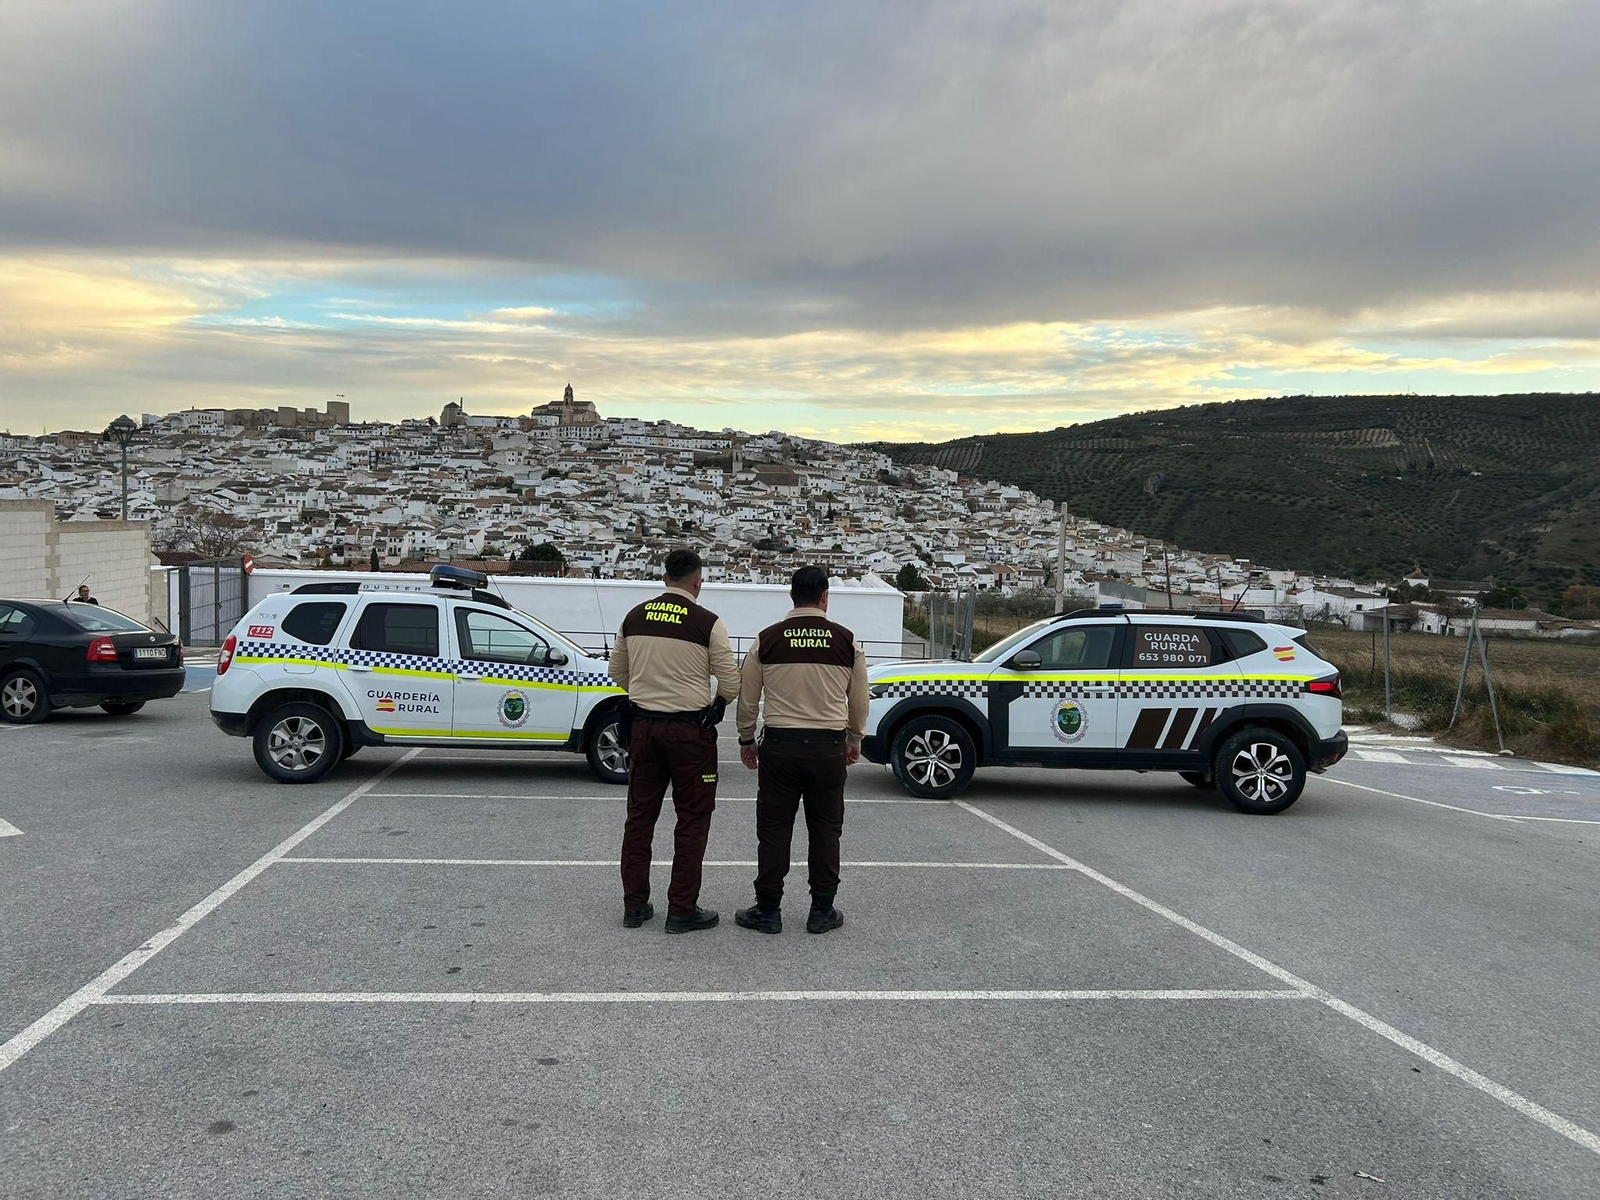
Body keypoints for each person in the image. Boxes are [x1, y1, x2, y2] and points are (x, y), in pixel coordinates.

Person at [734, 565, 869, 935]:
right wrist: (854, 739)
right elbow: (858, 703)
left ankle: (768, 909)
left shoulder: (767, 639)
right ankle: (821, 910)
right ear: (825, 597)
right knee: (826, 829)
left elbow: (748, 699)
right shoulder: (847, 642)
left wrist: (746, 739)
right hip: (828, 748)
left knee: (774, 828)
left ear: (791, 595)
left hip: (781, 746)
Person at [610, 547, 739, 934]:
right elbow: (731, 681)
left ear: (664, 578)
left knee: (639, 819)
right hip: (689, 733)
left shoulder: (634, 616)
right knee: (693, 820)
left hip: (644, 729)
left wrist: (648, 692)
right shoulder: (707, 622)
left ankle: (635, 906)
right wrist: (715, 707)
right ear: (698, 581)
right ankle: (681, 908)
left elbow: (618, 672)